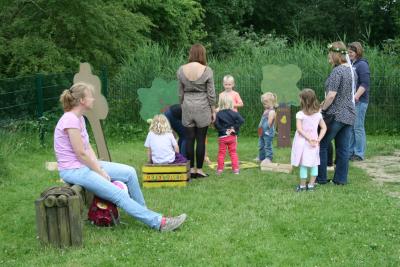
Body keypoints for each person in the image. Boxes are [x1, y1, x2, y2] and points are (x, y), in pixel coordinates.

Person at [54, 82, 186, 231]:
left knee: (129, 172)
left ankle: (146, 213)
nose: (93, 99)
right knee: (117, 194)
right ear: (82, 100)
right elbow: (80, 152)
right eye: (91, 96)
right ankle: (159, 223)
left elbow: (88, 147)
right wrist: (100, 171)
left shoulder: (79, 118)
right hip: (74, 170)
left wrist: (98, 166)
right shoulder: (70, 119)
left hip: (83, 166)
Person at [317, 41, 357, 185]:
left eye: (329, 53)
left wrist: (323, 109)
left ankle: (321, 178)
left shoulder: (337, 71)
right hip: (349, 114)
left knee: (322, 144)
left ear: (335, 54)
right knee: (343, 149)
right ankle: (340, 180)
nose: (328, 56)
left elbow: (332, 95)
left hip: (335, 115)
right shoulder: (352, 71)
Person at [177, 44, 216, 178]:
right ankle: (198, 170)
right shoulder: (207, 70)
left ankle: (190, 170)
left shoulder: (181, 70)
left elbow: (180, 92)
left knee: (189, 139)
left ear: (191, 54)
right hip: (203, 106)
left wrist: (182, 105)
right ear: (202, 54)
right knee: (201, 139)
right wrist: (213, 110)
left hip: (187, 104)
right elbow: (211, 94)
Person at [291, 89, 327, 192]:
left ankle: (302, 186)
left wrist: (309, 138)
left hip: (303, 142)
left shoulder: (300, 114)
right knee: (314, 163)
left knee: (304, 164)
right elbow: (324, 128)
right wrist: (318, 139)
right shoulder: (318, 115)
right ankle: (311, 186)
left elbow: (299, 129)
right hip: (314, 143)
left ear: (304, 101)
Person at [348, 42, 370, 161]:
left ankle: (359, 153)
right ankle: (351, 152)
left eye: (351, 52)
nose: (349, 54)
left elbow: (365, 83)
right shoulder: (351, 63)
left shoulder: (362, 65)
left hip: (360, 101)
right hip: (352, 101)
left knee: (358, 127)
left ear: (358, 52)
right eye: (348, 52)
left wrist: (356, 96)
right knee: (351, 127)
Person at [214, 94, 245, 175]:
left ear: (220, 103)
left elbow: (216, 125)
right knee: (233, 153)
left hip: (222, 137)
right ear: (231, 103)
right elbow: (241, 120)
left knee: (221, 153)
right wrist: (233, 128)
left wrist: (223, 131)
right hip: (232, 136)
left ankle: (220, 170)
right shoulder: (234, 113)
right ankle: (236, 170)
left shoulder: (219, 114)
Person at [258, 92, 277, 164]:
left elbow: (269, 123)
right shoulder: (266, 110)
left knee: (267, 145)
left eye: (265, 103)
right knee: (261, 145)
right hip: (261, 130)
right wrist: (260, 131)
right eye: (263, 103)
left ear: (272, 102)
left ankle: (269, 158)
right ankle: (261, 157)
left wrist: (266, 131)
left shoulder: (272, 112)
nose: (264, 105)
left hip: (267, 131)